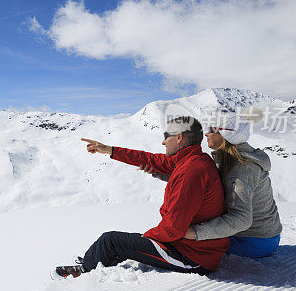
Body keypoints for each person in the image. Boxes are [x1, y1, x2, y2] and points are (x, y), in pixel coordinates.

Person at [58, 116, 229, 278]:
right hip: (191, 247)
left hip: (192, 257)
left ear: (179, 137)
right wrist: (109, 150)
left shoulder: (191, 171)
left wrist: (146, 237)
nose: (163, 141)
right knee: (124, 242)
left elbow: (173, 228)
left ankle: (85, 271)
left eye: (166, 136)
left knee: (110, 241)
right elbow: (149, 159)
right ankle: (96, 260)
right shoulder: (191, 160)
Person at [142, 115, 282, 258]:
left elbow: (241, 218)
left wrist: (196, 232)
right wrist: (159, 173)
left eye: (212, 129)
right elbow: (202, 184)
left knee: (182, 244)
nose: (207, 133)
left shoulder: (242, 169)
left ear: (226, 134)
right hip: (253, 235)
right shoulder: (227, 158)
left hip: (256, 239)